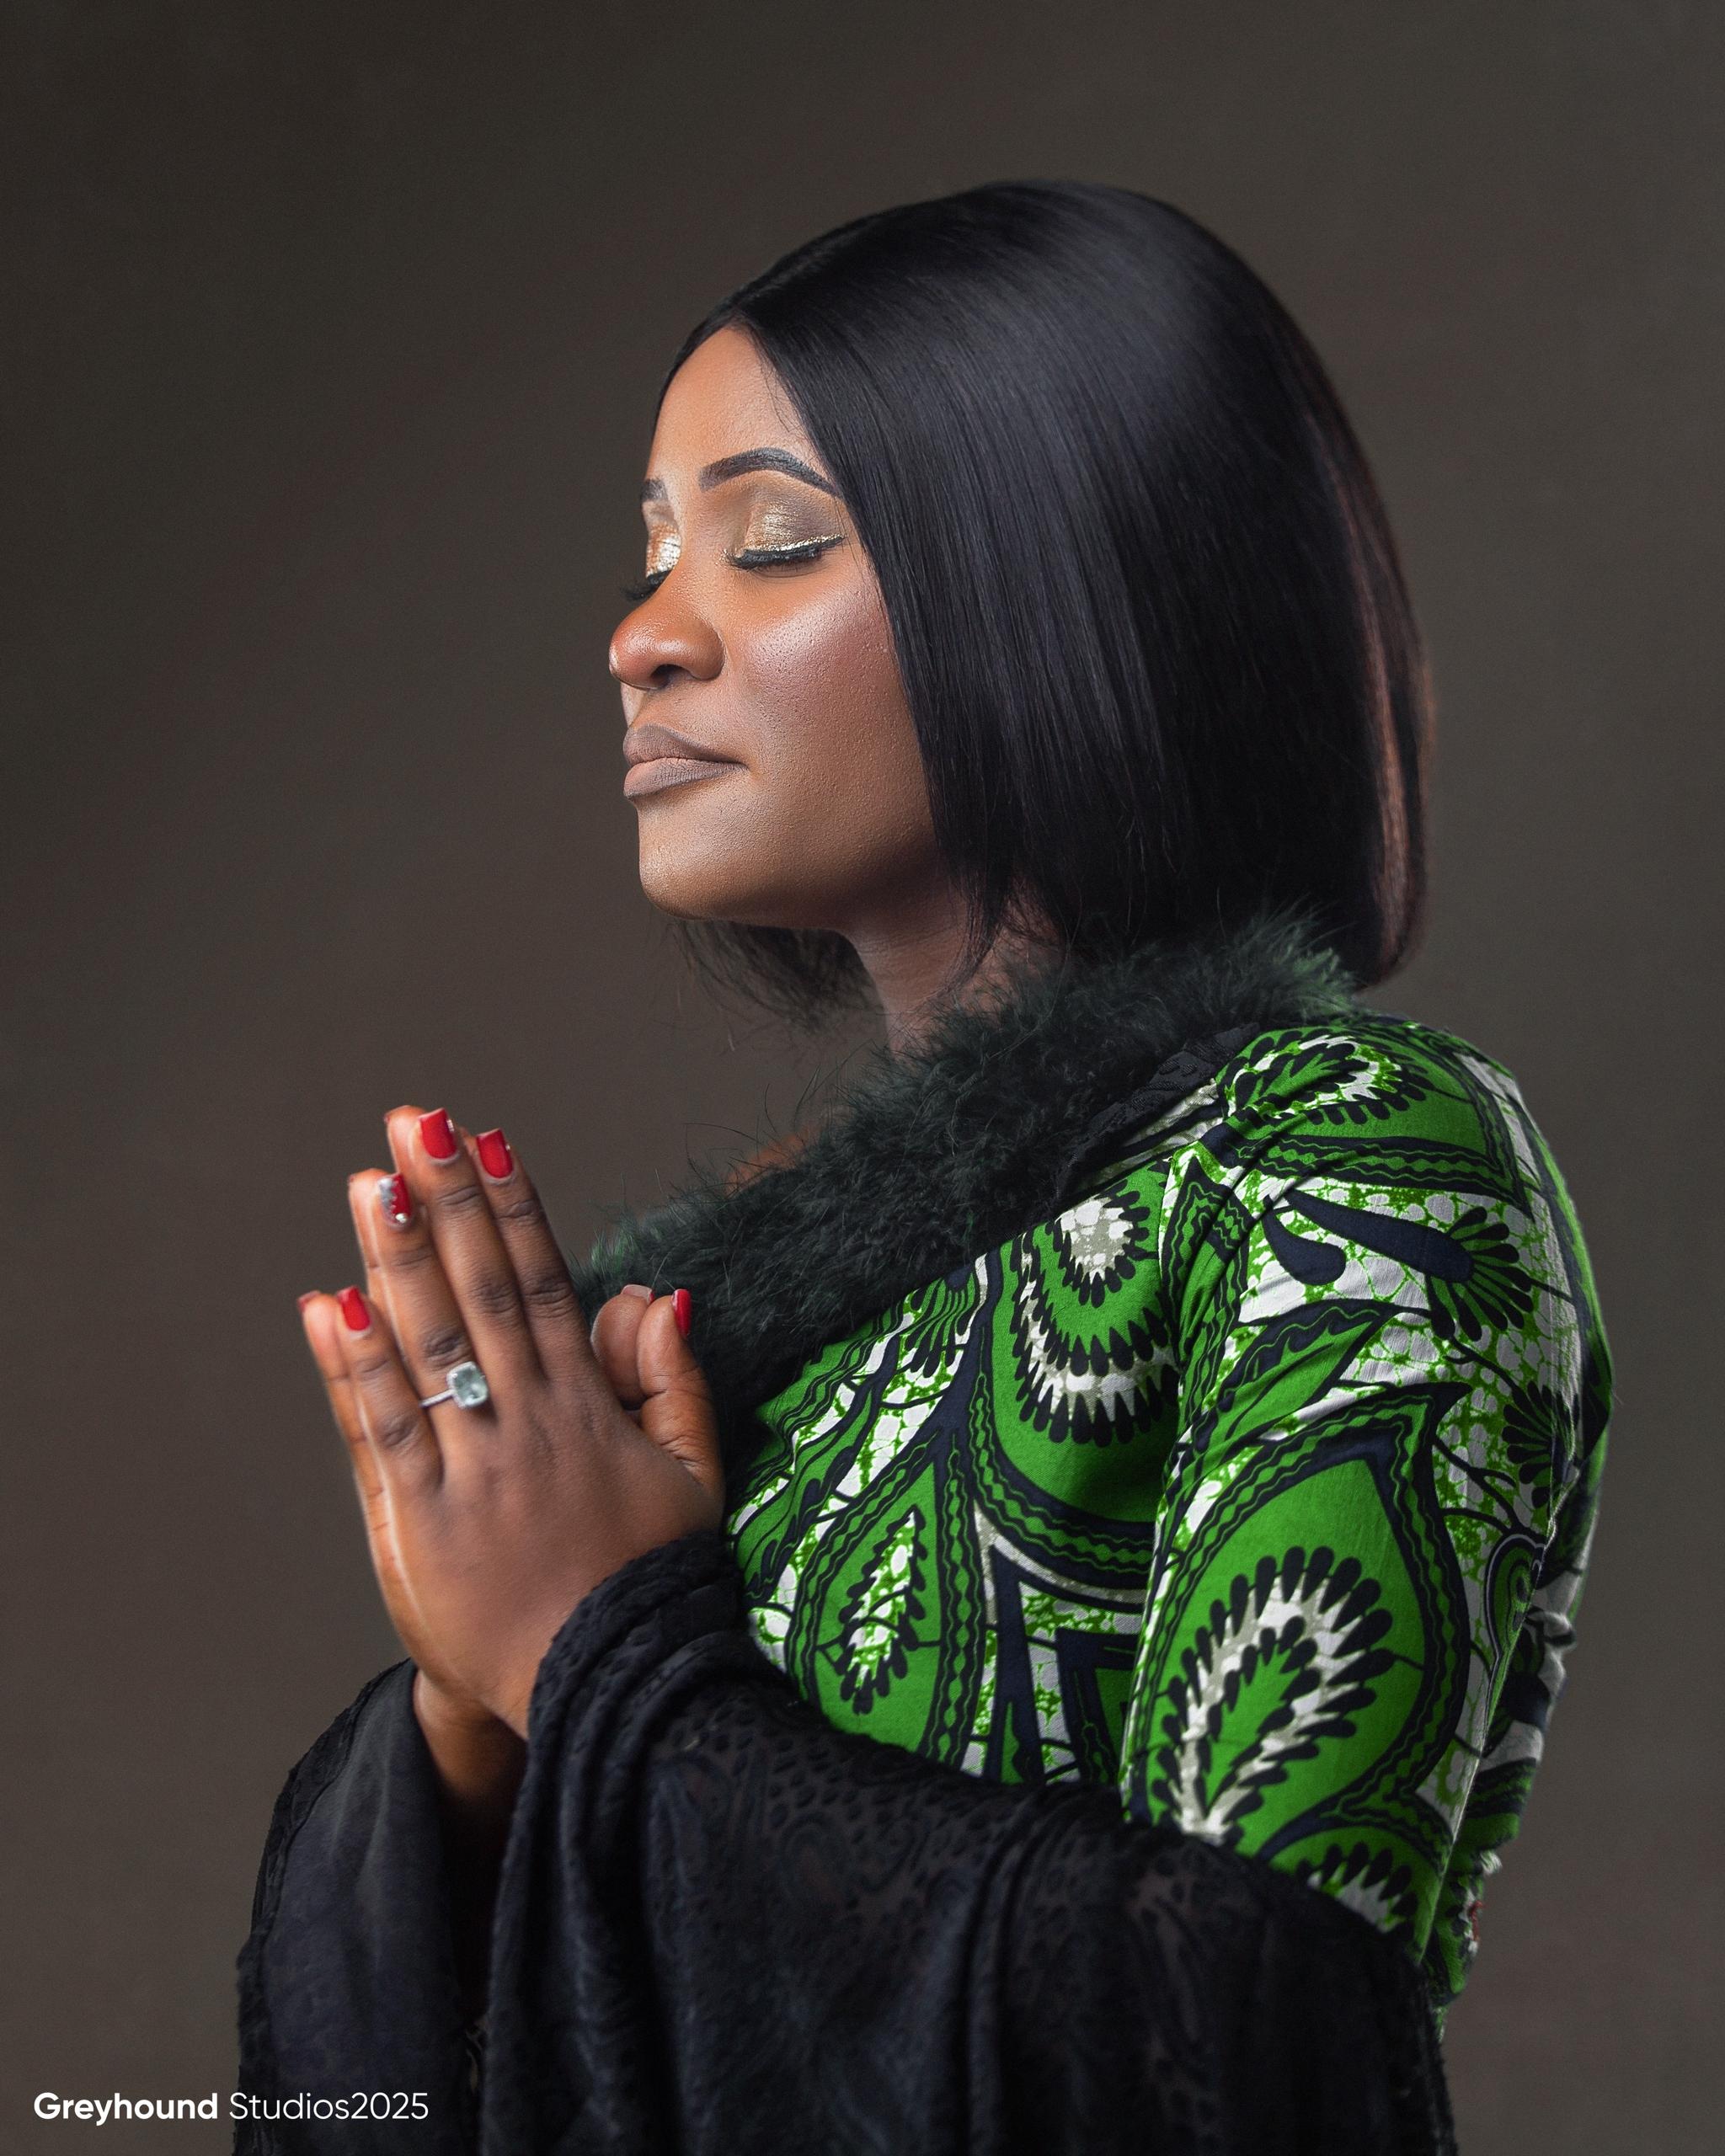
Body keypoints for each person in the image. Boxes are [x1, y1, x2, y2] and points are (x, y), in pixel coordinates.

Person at [235, 181, 1610, 2153]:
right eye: (648, 553)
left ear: (1076, 576)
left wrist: (597, 1656)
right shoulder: (766, 1308)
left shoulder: (1350, 1161)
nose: (640, 639)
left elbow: (1249, 2038)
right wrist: (472, 1726)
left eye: (772, 541)